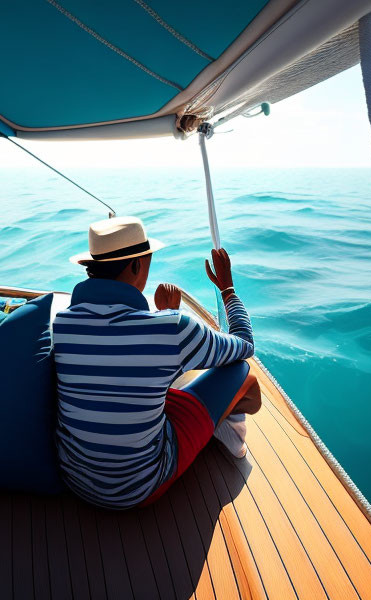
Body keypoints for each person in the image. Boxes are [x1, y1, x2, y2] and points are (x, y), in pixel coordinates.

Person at [52, 215, 261, 510]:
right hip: (138, 489)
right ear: (137, 265)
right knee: (241, 373)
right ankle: (231, 436)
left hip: (76, 481)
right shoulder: (170, 328)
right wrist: (228, 289)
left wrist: (162, 317)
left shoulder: (63, 324)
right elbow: (244, 345)